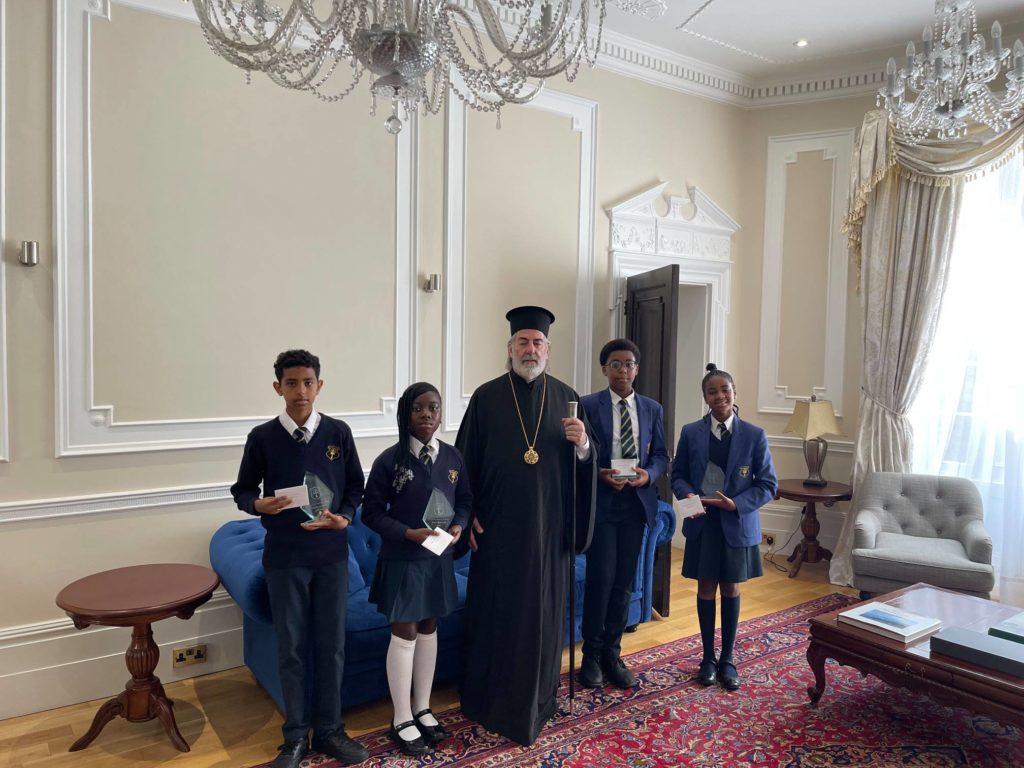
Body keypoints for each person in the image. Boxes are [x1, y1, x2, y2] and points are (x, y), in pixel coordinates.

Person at [455, 305, 596, 746]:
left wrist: (584, 444)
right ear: (510, 348)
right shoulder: (485, 398)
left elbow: (586, 465)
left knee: (543, 618)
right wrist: (466, 515)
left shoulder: (568, 398)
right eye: (523, 342)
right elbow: (463, 465)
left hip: (549, 534)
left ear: (548, 350)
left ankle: (540, 699)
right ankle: (490, 700)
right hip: (497, 534)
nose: (530, 349)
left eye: (537, 342)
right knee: (499, 616)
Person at [230, 349, 369, 768]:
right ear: (278, 388)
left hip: (331, 557)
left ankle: (330, 731)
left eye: (308, 382)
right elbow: (242, 490)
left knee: (332, 646)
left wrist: (345, 517)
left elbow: (355, 487)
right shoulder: (262, 437)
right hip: (285, 558)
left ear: (319, 386)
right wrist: (258, 505)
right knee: (291, 648)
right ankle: (294, 737)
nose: (301, 391)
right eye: (291, 383)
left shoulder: (339, 433)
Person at [362, 382, 472, 756]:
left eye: (434, 408)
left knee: (428, 627)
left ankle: (423, 708)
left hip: (437, 558)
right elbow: (371, 513)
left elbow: (465, 500)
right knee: (405, 631)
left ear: (441, 414)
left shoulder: (453, 458)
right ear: (405, 414)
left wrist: (459, 525)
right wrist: (409, 534)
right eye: (418, 408)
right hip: (403, 559)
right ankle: (402, 716)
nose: (427, 414)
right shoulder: (389, 461)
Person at [670, 363, 778, 692]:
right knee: (705, 589)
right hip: (703, 524)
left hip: (736, 524)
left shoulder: (755, 435)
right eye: (712, 392)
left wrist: (737, 504)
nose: (720, 396)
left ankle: (728, 659)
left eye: (725, 390)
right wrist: (687, 495)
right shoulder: (691, 432)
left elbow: (768, 485)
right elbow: (678, 475)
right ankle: (707, 658)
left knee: (730, 589)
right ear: (705, 397)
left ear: (734, 393)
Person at [579, 339, 668, 690]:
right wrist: (599, 473)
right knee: (600, 580)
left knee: (623, 584)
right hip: (603, 504)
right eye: (615, 364)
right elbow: (578, 453)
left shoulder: (652, 408)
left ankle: (612, 654)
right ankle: (590, 654)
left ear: (637, 369)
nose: (622, 370)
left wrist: (649, 475)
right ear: (604, 369)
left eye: (629, 363)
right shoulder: (588, 405)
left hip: (635, 504)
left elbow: (660, 455)